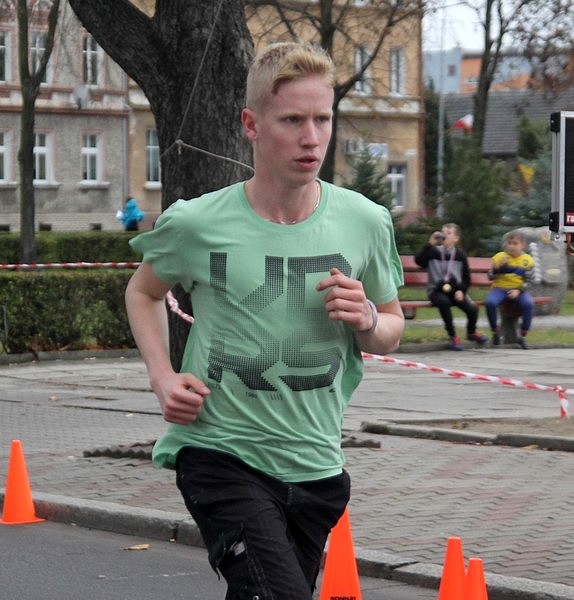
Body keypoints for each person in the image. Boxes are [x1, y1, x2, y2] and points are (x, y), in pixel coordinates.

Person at [124, 41, 404, 600]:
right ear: (251, 125)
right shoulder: (197, 223)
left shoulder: (365, 220)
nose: (312, 138)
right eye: (293, 120)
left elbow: (392, 328)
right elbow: (143, 291)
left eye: (323, 119)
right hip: (222, 455)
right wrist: (162, 376)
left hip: (316, 468)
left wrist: (368, 318)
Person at [414, 223, 489, 350]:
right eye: (443, 232)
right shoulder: (433, 252)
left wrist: (461, 291)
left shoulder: (460, 255)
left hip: (454, 290)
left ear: (456, 238)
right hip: (436, 290)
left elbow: (466, 278)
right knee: (444, 303)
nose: (444, 235)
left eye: (448, 233)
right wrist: (430, 244)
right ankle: (453, 335)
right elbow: (419, 261)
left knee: (473, 309)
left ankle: (471, 332)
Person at [486, 230, 536, 349]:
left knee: (528, 304)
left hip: (519, 289)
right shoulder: (499, 257)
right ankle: (495, 332)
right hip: (500, 288)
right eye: (509, 243)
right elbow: (490, 276)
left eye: (515, 243)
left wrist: (518, 290)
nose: (512, 246)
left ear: (523, 245)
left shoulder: (527, 260)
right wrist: (498, 268)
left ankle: (522, 336)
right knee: (490, 303)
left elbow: (530, 281)